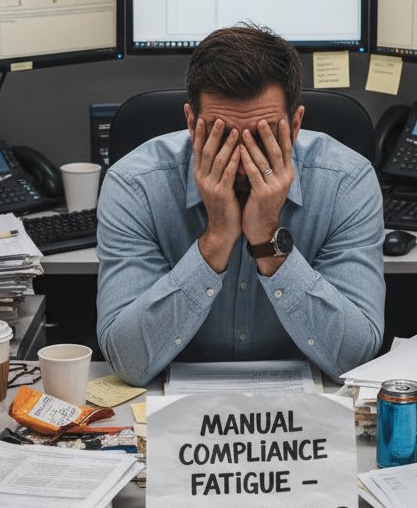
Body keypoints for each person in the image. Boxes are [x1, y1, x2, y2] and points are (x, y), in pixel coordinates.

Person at [96, 24, 385, 385]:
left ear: (295, 126)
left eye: (263, 136)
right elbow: (128, 360)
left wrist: (267, 238)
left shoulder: (346, 181)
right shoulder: (135, 185)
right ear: (191, 123)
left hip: (305, 418)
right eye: (223, 136)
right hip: (172, 415)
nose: (244, 159)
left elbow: (354, 357)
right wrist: (216, 238)